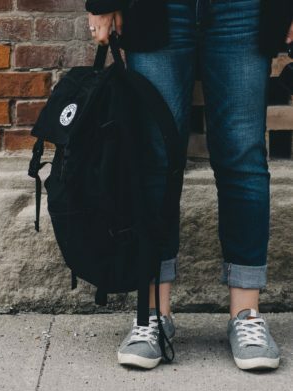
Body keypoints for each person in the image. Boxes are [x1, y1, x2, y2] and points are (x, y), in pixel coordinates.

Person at [86, 0, 293, 371]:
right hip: (157, 8)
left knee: (243, 155)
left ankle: (246, 315)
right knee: (156, 158)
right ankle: (152, 315)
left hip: (243, 8)